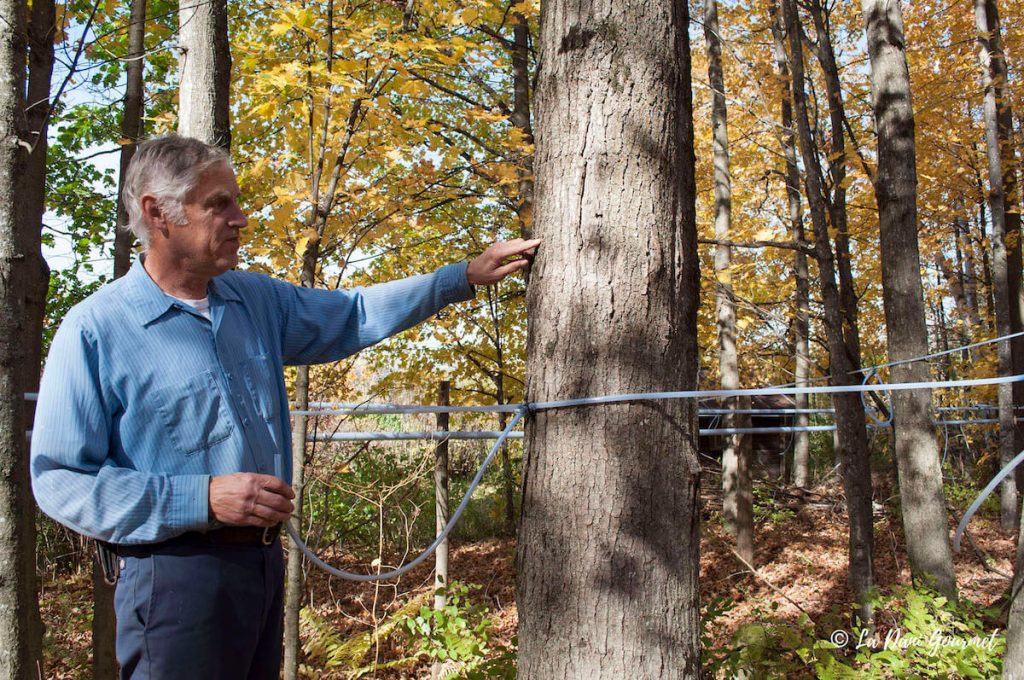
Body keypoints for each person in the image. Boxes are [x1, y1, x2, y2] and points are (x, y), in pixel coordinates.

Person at [30, 134, 539, 679]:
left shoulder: (254, 300)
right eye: (218, 204)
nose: (241, 219)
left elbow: (352, 313)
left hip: (262, 566)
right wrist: (199, 497)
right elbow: (61, 480)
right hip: (173, 580)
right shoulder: (97, 328)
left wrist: (459, 277)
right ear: (159, 214)